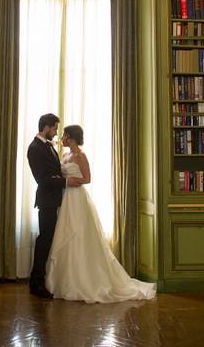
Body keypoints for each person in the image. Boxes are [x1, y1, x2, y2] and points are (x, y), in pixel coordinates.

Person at [46, 124, 156, 303]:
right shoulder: (65, 155)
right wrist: (64, 181)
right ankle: (66, 280)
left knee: (80, 234)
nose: (62, 138)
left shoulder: (81, 156)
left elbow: (87, 179)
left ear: (72, 138)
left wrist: (71, 180)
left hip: (77, 198)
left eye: (65, 135)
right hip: (65, 199)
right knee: (66, 233)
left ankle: (87, 281)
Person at [27, 113, 83, 298]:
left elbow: (56, 171)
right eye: (54, 129)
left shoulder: (48, 146)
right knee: (44, 240)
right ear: (45, 127)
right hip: (47, 201)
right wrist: (67, 183)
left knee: (49, 240)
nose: (56, 133)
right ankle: (36, 284)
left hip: (58, 200)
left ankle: (43, 280)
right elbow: (43, 179)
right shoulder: (34, 148)